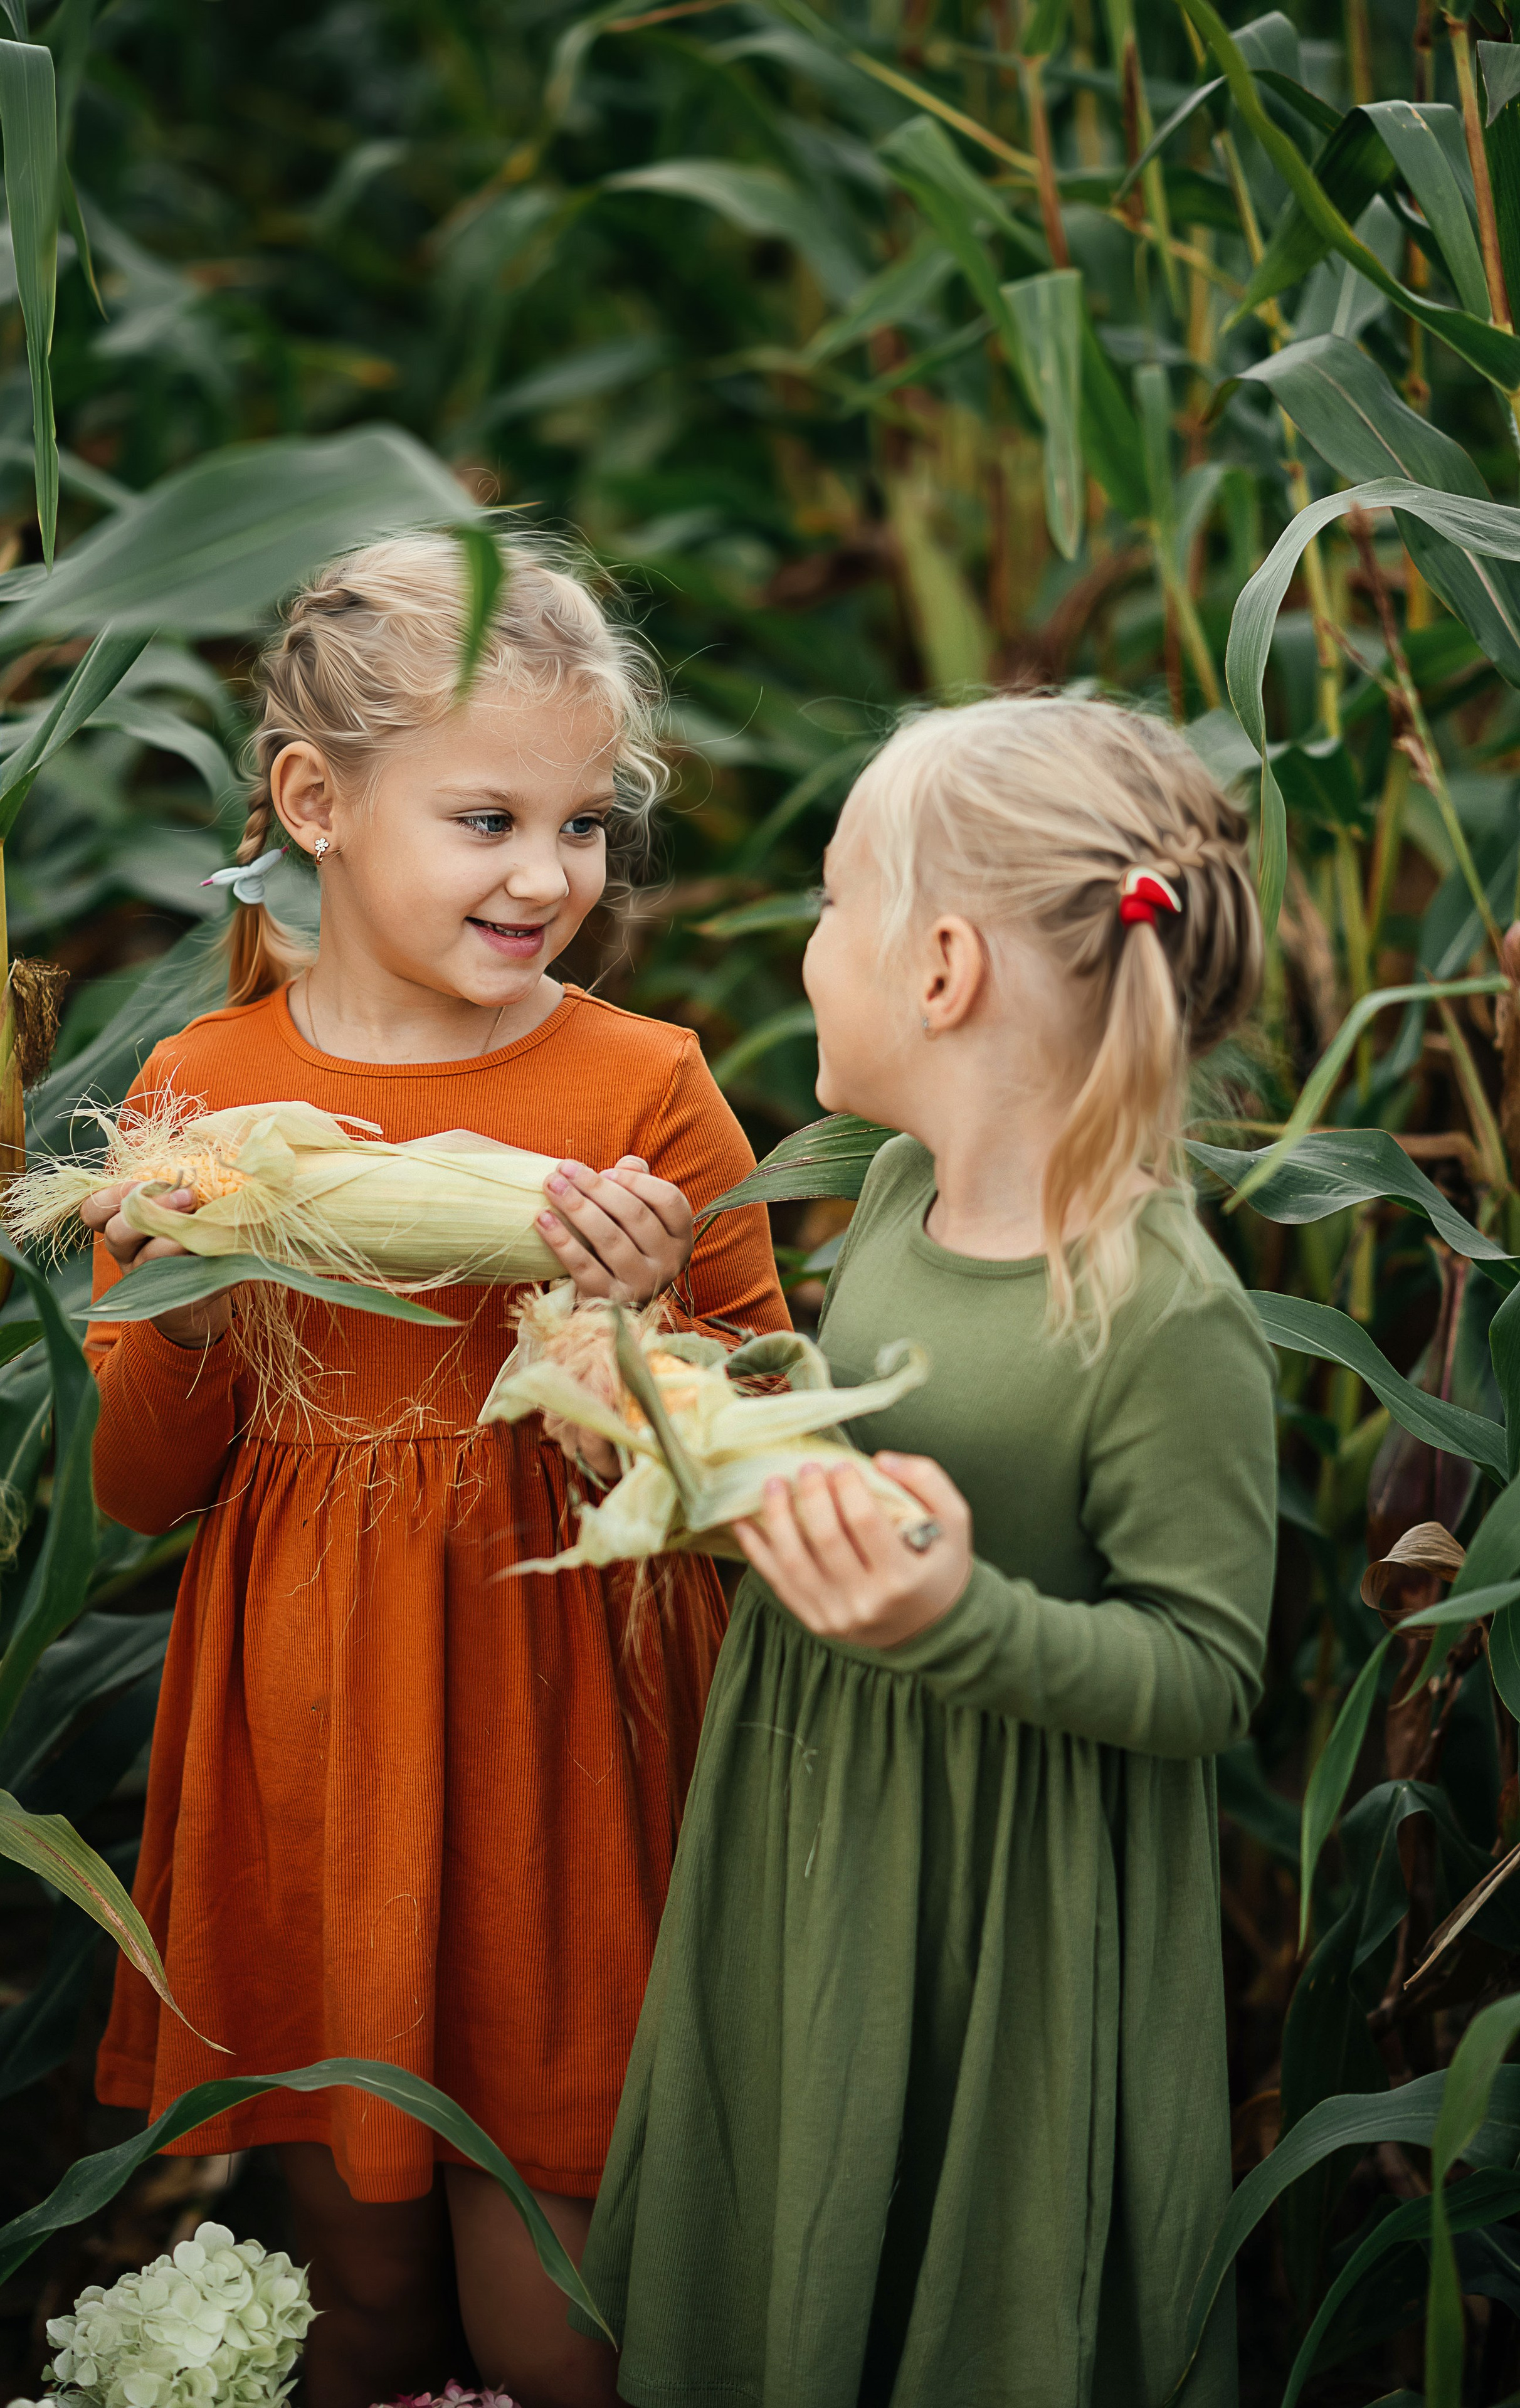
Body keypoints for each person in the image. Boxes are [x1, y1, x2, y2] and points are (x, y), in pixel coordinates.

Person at [80, 532, 789, 2408]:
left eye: (583, 826)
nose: (549, 876)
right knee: (361, 2299)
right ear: (317, 803)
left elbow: (739, 1462)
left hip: (565, 1736)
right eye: (487, 820)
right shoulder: (196, 1091)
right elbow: (144, 1489)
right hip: (315, 1740)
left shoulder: (645, 1089)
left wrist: (642, 1333)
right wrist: (168, 1292)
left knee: (559, 2311)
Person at [578, 695, 1279, 2408]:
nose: (811, 945)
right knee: (792, 2230)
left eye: (830, 903)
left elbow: (1208, 1677)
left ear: (945, 967)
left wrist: (963, 1617)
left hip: (999, 1910)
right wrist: (659, 1360)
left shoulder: (1163, 1314)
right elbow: (844, 1473)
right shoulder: (897, 1196)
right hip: (815, 1823)